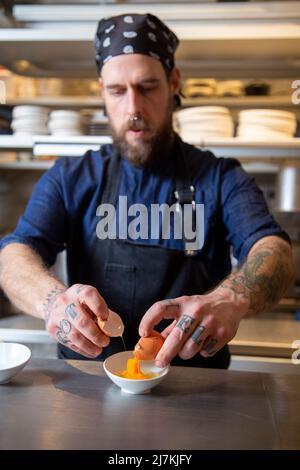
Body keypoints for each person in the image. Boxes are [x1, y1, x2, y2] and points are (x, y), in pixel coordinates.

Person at [0, 13, 294, 369]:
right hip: (89, 382)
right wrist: (51, 302)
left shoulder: (219, 176)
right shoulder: (71, 176)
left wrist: (231, 299)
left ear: (173, 82)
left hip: (193, 389)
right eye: (117, 91)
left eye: (148, 87)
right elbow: (13, 254)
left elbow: (274, 249)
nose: (133, 108)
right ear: (102, 93)